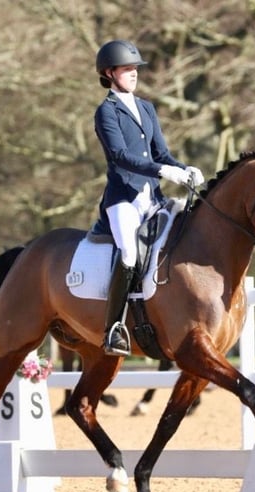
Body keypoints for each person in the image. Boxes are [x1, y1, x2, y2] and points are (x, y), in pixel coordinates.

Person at [93, 39, 204, 356]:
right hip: (124, 199)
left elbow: (162, 153)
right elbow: (120, 156)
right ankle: (113, 328)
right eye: (127, 69)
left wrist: (184, 169)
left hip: (152, 198)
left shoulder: (146, 108)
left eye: (135, 69)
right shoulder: (106, 112)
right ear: (110, 73)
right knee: (129, 252)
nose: (133, 74)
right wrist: (162, 171)